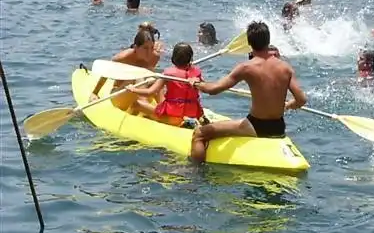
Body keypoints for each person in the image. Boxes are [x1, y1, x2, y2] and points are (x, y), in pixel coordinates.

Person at [191, 21, 308, 162]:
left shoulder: (246, 67)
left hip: (256, 126)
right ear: (268, 40)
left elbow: (214, 89)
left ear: (249, 43)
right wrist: (288, 105)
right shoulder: (285, 67)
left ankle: (196, 175)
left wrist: (197, 84)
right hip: (279, 127)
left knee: (199, 134)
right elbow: (301, 100)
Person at [126, 42, 207, 127]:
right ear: (190, 58)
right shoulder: (196, 73)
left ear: (174, 58)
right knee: (161, 89)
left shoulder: (168, 74)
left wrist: (133, 89)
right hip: (192, 113)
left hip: (173, 118)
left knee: (136, 104)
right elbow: (204, 87)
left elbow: (150, 92)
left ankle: (129, 125)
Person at [89, 28, 161, 110]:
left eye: (151, 48)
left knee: (159, 79)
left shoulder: (155, 57)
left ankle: (165, 109)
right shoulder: (122, 58)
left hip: (141, 91)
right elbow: (106, 73)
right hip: (119, 94)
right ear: (135, 47)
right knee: (138, 76)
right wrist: (95, 93)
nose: (149, 52)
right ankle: (144, 105)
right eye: (145, 48)